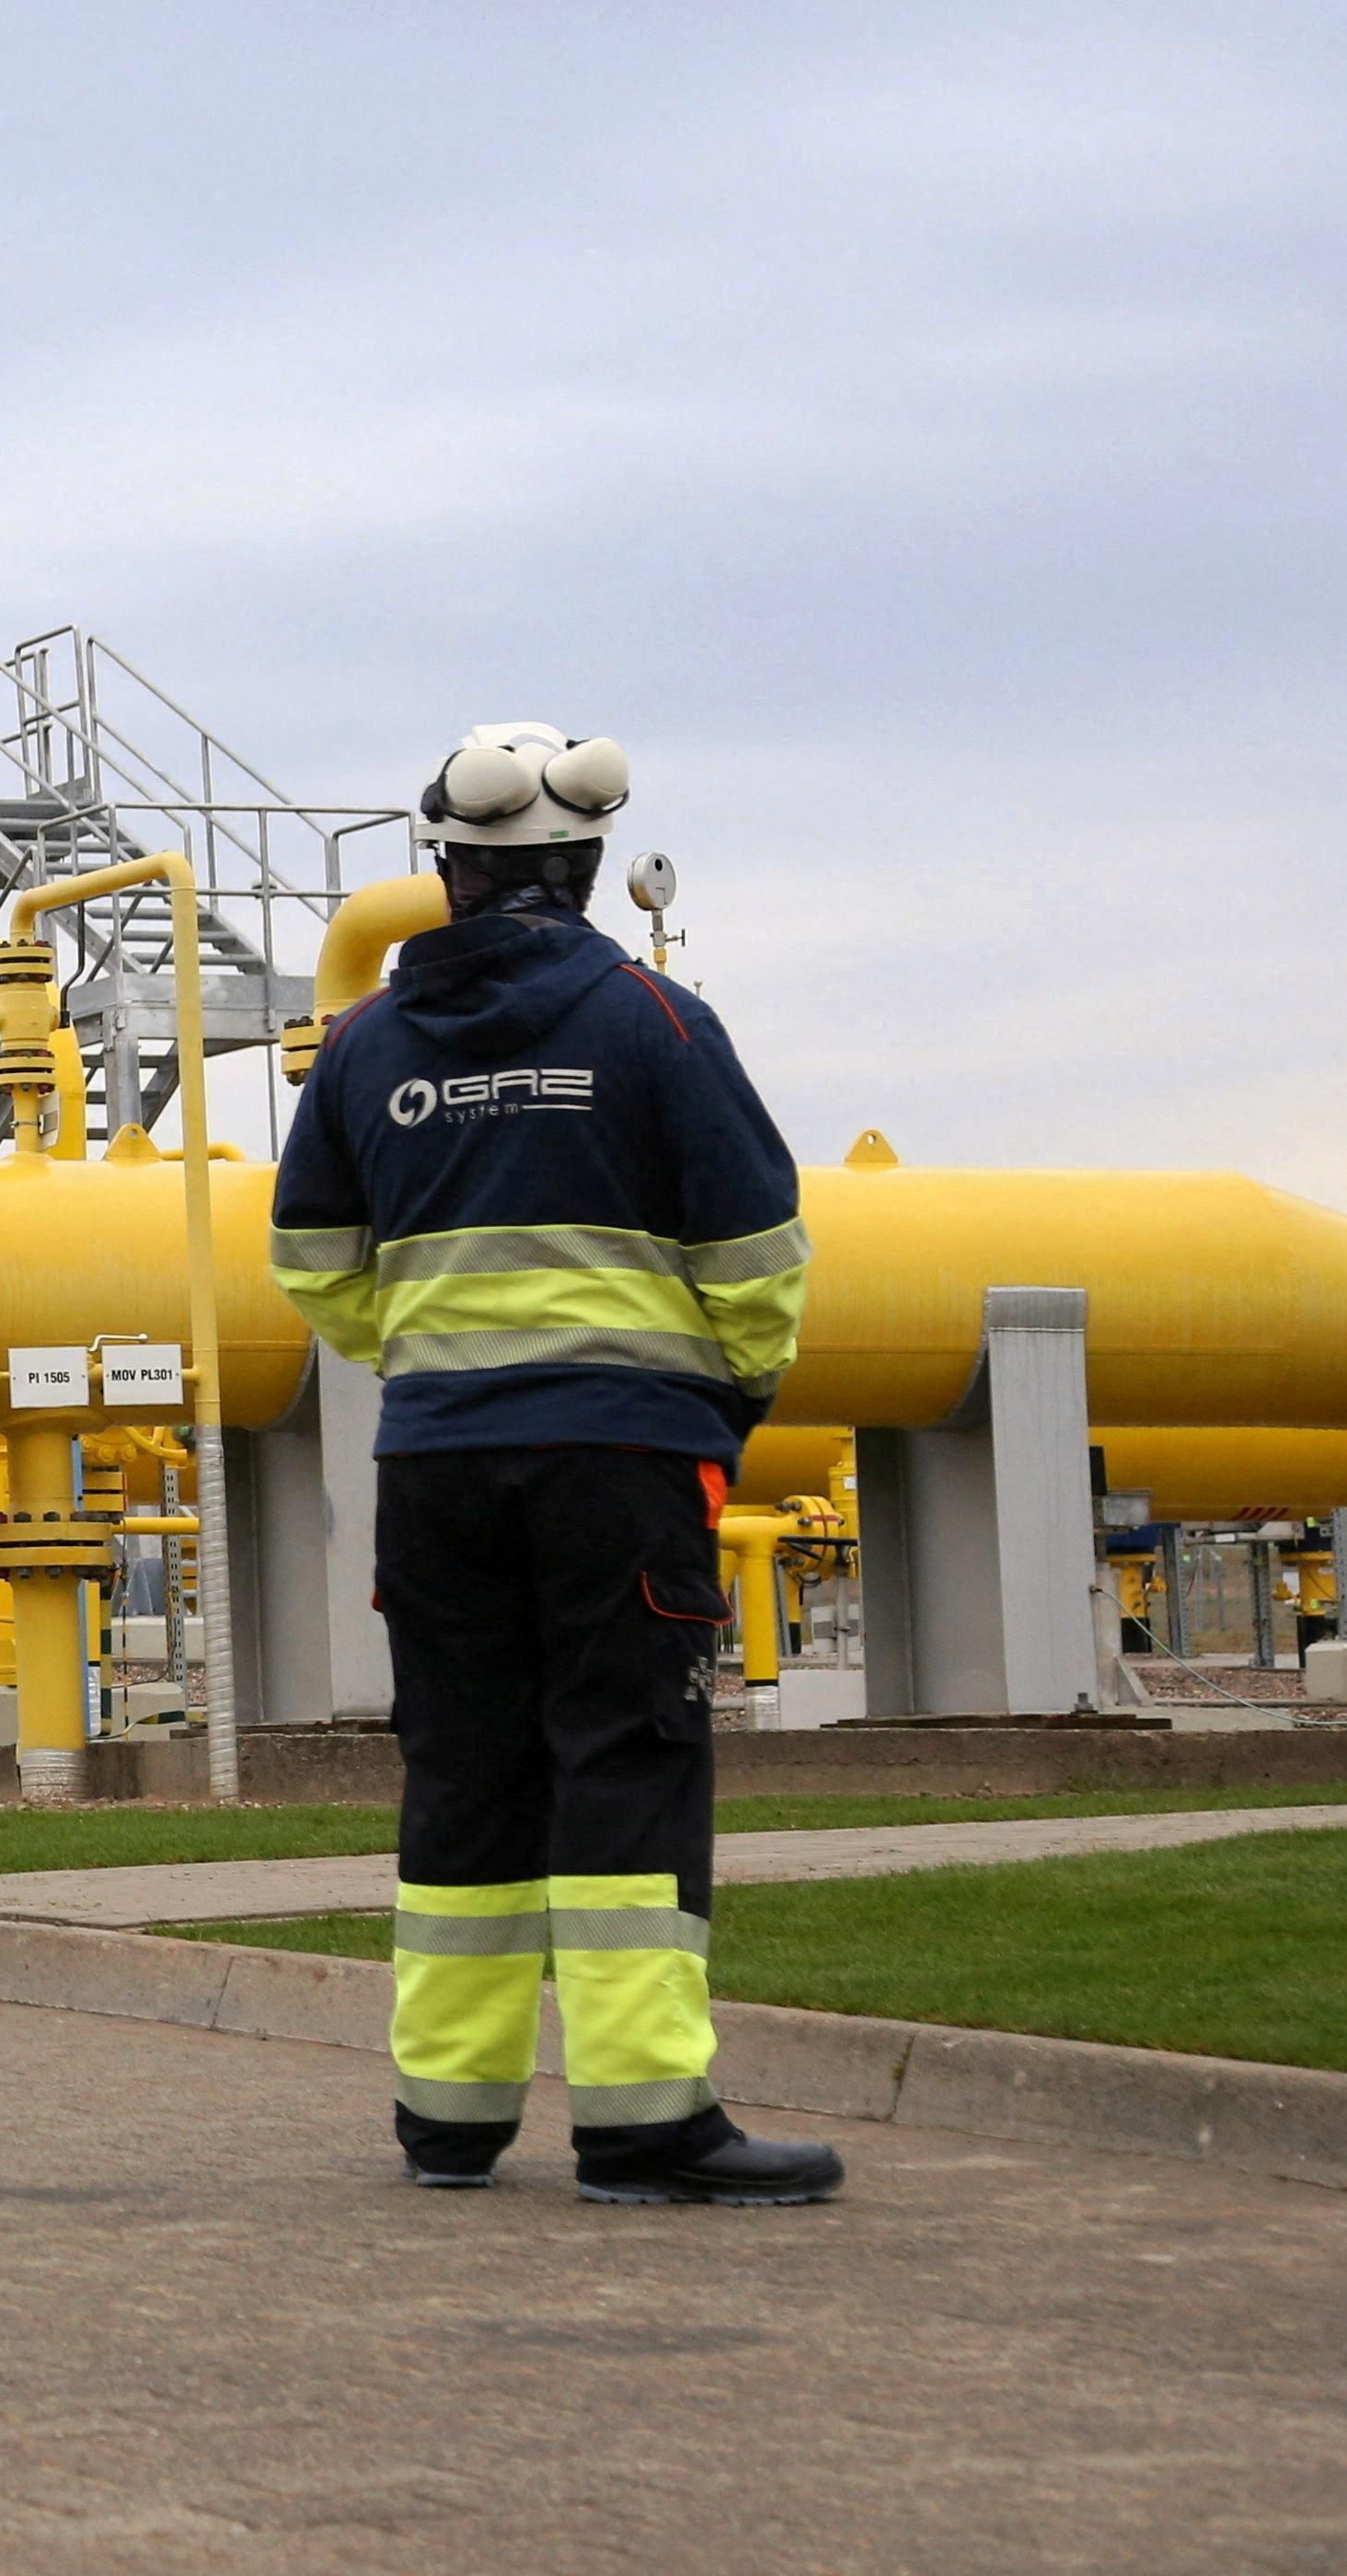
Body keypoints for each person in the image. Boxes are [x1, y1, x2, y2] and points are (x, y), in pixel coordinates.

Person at [270, 722, 835, 2205]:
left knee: (463, 1767)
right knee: (623, 1763)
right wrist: (722, 1401)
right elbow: (760, 1260)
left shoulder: (365, 1050)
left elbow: (312, 1265)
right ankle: (645, 2123)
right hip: (621, 1455)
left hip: (441, 1465)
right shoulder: (658, 1023)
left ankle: (448, 2117)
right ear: (584, 869)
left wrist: (432, 1357)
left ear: (442, 876)